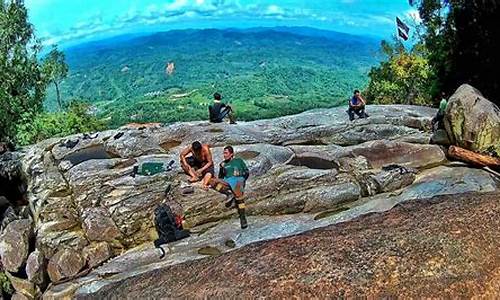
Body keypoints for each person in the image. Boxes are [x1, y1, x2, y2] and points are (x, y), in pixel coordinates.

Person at [209, 146, 249, 229]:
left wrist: (241, 177)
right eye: (224, 153)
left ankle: (242, 217)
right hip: (228, 181)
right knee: (212, 181)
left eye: (226, 153)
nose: (224, 155)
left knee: (239, 196)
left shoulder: (238, 161)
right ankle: (228, 193)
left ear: (232, 154)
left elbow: (246, 171)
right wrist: (221, 168)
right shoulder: (223, 164)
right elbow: (220, 177)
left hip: (238, 179)